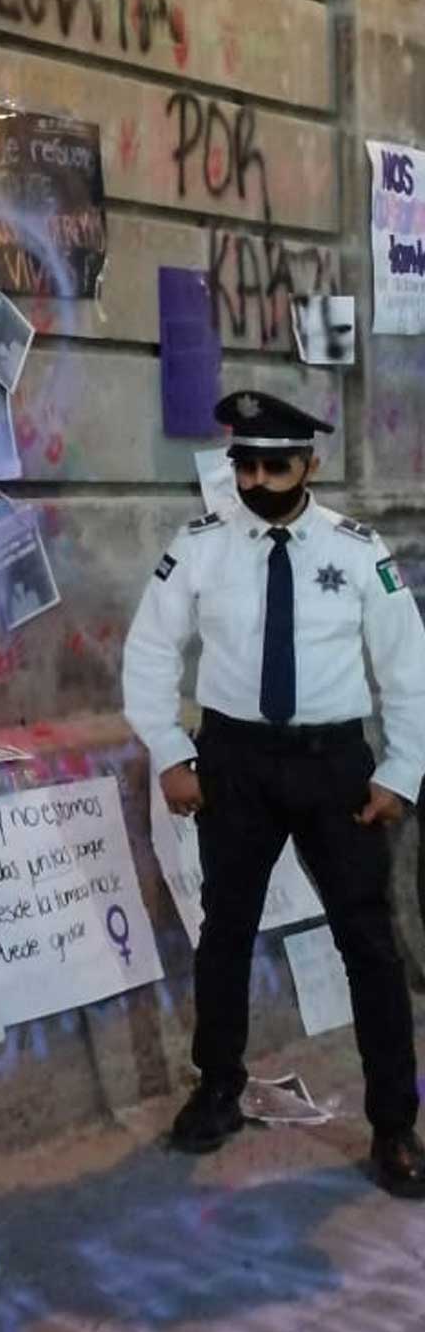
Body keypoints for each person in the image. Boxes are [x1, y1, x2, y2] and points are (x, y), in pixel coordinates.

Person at [122, 389, 425, 1195]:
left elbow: (408, 669)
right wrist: (170, 754)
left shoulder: (358, 551)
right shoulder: (202, 547)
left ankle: (395, 1125)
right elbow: (150, 652)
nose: (257, 479)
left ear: (310, 465)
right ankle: (218, 1087)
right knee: (226, 930)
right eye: (245, 464)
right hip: (237, 764)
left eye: (275, 464)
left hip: (334, 768)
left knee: (369, 943)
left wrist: (401, 772)